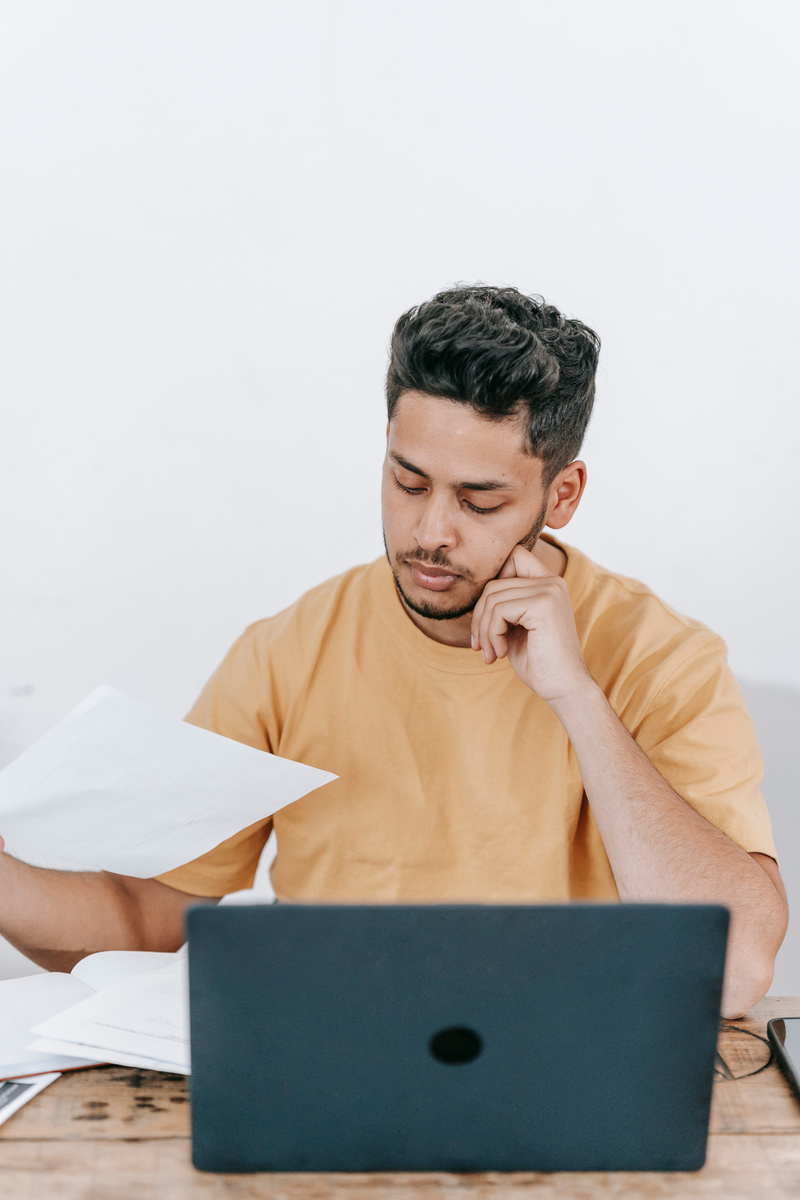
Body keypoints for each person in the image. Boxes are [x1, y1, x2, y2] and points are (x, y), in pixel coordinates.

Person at [0, 286, 787, 1018]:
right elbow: (150, 917)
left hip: (568, 1059)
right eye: (409, 483)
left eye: (480, 501)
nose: (431, 533)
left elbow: (735, 969)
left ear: (563, 494)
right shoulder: (288, 652)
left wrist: (577, 699)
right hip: (338, 1056)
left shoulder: (665, 660)